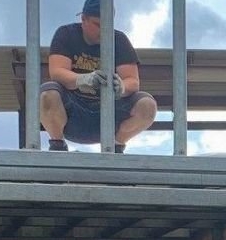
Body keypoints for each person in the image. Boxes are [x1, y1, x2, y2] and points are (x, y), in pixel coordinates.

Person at [39, 0, 157, 152]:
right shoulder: (66, 34)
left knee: (147, 105)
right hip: (73, 114)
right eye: (98, 25)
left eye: (108, 26)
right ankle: (57, 144)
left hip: (109, 116)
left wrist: (121, 87)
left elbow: (133, 81)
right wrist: (82, 79)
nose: (103, 31)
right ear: (83, 19)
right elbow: (57, 72)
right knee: (48, 94)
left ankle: (117, 145)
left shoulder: (119, 41)